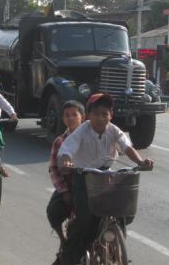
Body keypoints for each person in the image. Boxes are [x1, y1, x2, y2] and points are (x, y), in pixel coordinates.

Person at [56, 93, 154, 265]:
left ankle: (117, 249)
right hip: (83, 176)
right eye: (96, 114)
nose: (100, 118)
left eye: (104, 114)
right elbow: (67, 149)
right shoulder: (82, 130)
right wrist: (65, 161)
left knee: (122, 212)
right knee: (85, 220)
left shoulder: (114, 130)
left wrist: (140, 161)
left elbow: (127, 146)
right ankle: (70, 257)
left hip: (106, 175)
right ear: (88, 115)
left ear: (111, 115)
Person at [47, 100, 86, 253]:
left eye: (74, 115)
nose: (70, 118)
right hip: (69, 185)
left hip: (92, 184)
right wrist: (64, 191)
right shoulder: (59, 141)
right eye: (66, 115)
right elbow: (53, 169)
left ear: (82, 117)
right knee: (53, 211)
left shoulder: (90, 136)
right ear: (62, 119)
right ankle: (63, 241)